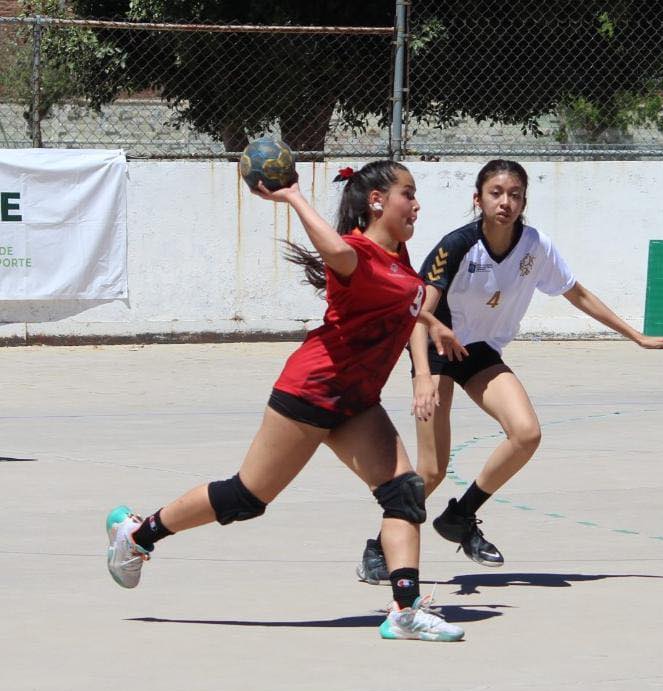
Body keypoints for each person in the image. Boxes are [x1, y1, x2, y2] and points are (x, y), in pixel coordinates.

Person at [105, 160, 464, 642]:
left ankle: (404, 610)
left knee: (404, 491)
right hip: (312, 389)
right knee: (247, 497)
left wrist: (433, 327)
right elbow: (337, 251)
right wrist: (293, 197)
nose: (417, 203)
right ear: (377, 201)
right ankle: (138, 535)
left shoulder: (398, 256)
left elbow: (406, 300)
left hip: (358, 400)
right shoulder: (356, 252)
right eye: (408, 193)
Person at [356, 158, 663, 584]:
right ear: (477, 199)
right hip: (438, 348)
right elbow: (418, 313)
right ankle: (378, 547)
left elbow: (577, 294)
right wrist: (422, 374)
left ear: (524, 200)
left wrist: (636, 335)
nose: (505, 202)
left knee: (527, 433)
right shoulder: (456, 245)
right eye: (496, 193)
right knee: (433, 469)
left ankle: (461, 515)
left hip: (479, 352)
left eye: (514, 194)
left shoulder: (535, 246)